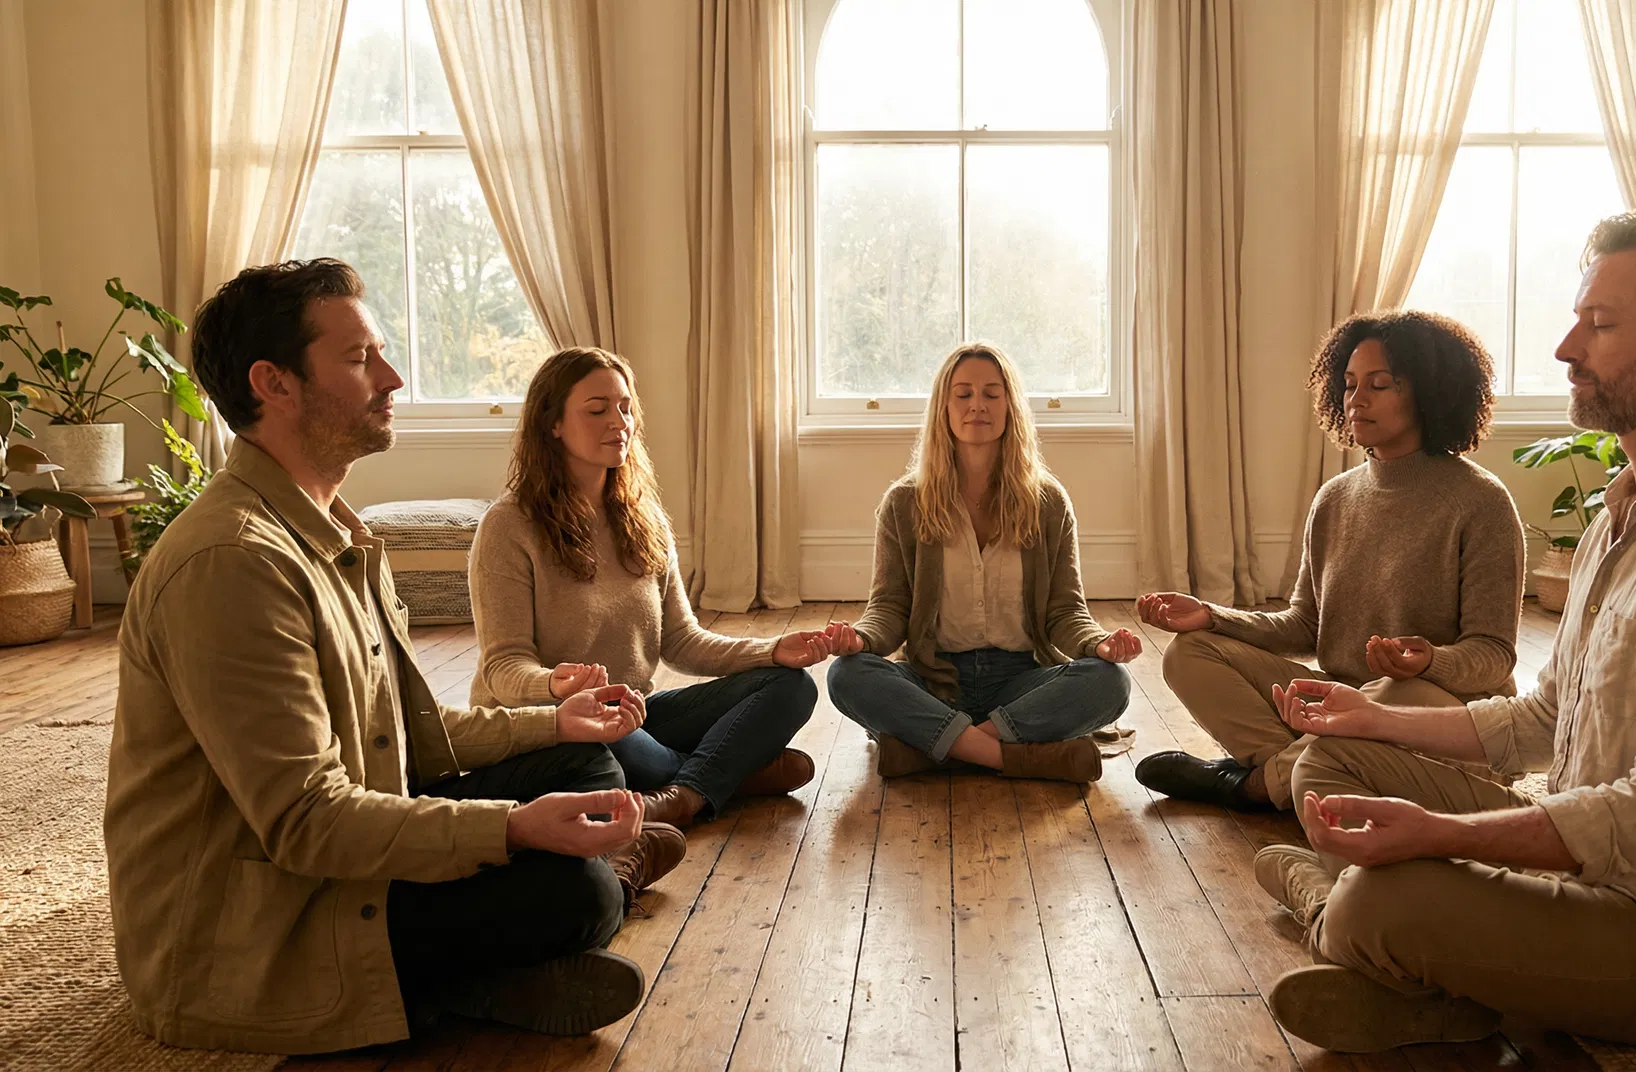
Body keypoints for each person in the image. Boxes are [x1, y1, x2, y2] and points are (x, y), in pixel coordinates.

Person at [1260, 205, 1636, 1054]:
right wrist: (1370, 717)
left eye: (1599, 324)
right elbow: (1544, 719)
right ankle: (1441, 974)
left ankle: (1351, 919)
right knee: (1335, 758)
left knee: (1378, 900)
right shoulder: (1624, 513)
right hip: (1599, 876)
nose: (1568, 348)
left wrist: (1441, 837)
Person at [106, 260, 686, 1054]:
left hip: (341, 858)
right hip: (267, 922)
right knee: (573, 885)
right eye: (359, 359)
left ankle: (497, 969)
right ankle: (500, 963)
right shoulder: (232, 564)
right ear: (274, 384)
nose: (393, 376)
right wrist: (511, 829)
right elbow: (307, 823)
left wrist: (555, 722)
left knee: (586, 765)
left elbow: (405, 734)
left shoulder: (333, 532)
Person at [1135, 311, 1523, 814]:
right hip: (1344, 704)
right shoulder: (1336, 498)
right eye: (1349, 383)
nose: (1356, 399)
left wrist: (1430, 661)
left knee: (1395, 689)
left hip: (1440, 716)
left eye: (1380, 385)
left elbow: (1494, 655)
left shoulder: (1481, 502)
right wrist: (1212, 617)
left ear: (1430, 391)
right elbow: (1304, 625)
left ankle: (1258, 786)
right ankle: (1303, 778)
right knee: (1190, 653)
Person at [468, 347, 830, 830]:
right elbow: (502, 668)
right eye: (597, 410)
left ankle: (683, 790)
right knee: (613, 756)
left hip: (632, 716)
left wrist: (771, 650)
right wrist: (554, 684)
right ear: (552, 423)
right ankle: (722, 775)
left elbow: (682, 642)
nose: (618, 421)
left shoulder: (644, 519)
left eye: (625, 407)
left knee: (791, 686)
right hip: (555, 723)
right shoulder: (508, 526)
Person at [822, 342, 1140, 782]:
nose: (978, 406)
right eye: (964, 393)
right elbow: (890, 608)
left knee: (1111, 682)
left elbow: (1066, 611)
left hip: (1019, 682)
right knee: (846, 675)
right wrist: (859, 640)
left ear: (1011, 406)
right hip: (935, 680)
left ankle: (940, 749)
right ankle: (1015, 757)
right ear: (944, 407)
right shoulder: (904, 503)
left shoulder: (1047, 503)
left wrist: (1099, 644)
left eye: (992, 393)